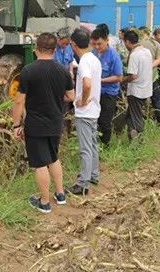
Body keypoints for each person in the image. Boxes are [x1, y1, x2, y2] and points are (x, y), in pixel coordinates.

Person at [11, 33, 75, 213]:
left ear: (36, 49)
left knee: (40, 163)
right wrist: (55, 97)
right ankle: (60, 194)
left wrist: (16, 125)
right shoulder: (63, 70)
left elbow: (18, 101)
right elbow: (71, 96)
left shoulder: (28, 71)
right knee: (53, 158)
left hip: (36, 124)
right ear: (55, 50)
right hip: (56, 122)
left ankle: (44, 202)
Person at [67, 29, 102, 195]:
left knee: (85, 148)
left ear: (74, 44)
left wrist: (81, 100)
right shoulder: (93, 59)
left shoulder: (85, 62)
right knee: (93, 144)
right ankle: (93, 174)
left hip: (85, 111)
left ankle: (82, 184)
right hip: (94, 110)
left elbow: (86, 84)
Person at [91, 28, 123, 145]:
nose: (97, 47)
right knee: (95, 119)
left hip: (108, 93)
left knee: (105, 121)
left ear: (106, 40)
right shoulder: (93, 53)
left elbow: (119, 77)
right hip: (95, 92)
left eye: (99, 44)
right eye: (94, 44)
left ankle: (106, 146)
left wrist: (100, 80)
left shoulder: (114, 55)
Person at [123, 30, 152, 140]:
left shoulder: (135, 55)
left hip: (136, 91)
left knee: (136, 117)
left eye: (124, 43)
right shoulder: (147, 52)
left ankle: (139, 140)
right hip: (146, 89)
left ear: (127, 42)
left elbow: (132, 76)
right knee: (131, 115)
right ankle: (132, 135)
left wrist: (122, 81)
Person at [140, 28, 160, 124]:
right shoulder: (156, 45)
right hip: (153, 77)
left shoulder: (139, 44)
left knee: (139, 102)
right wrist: (151, 66)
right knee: (157, 101)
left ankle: (138, 124)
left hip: (141, 79)